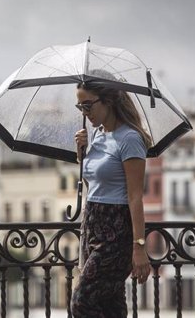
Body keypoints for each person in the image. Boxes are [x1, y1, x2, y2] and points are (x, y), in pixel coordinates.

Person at [71, 78, 153, 318]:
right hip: (93, 224)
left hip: (116, 231)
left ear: (108, 101)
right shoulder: (95, 136)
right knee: (111, 306)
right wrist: (81, 155)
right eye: (80, 108)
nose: (85, 114)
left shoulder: (130, 139)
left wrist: (139, 247)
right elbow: (94, 183)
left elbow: (135, 196)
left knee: (81, 303)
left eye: (88, 106)